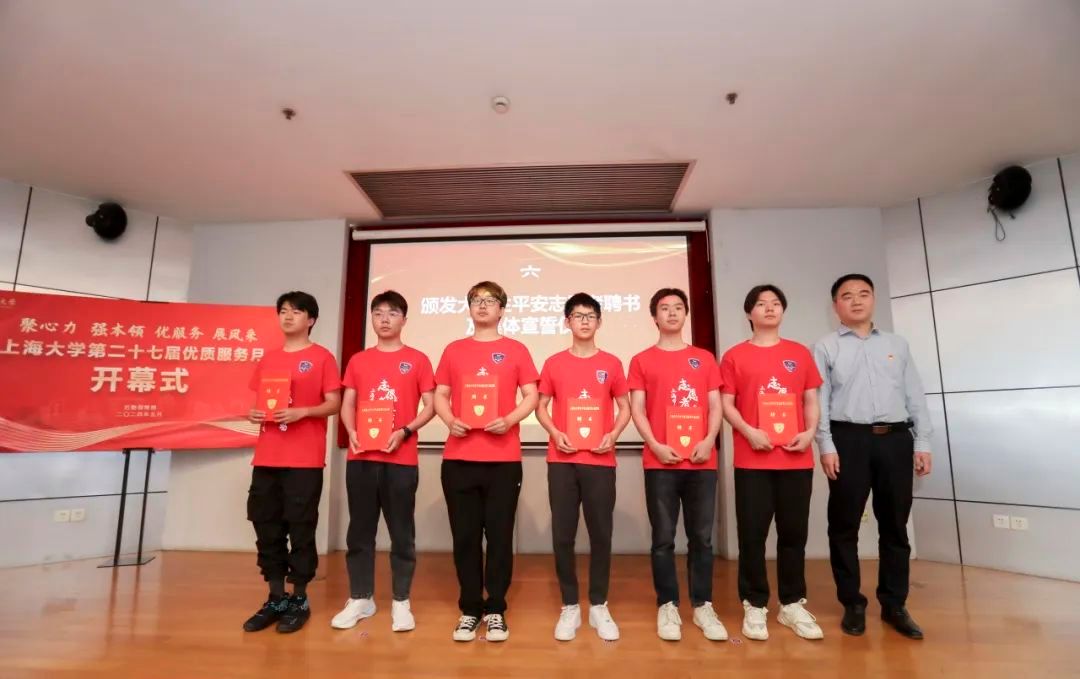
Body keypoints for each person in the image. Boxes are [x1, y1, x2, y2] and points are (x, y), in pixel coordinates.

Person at [813, 273, 933, 640]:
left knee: (895, 526)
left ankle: (894, 604)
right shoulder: (826, 346)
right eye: (847, 295)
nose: (856, 300)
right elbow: (820, 400)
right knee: (844, 525)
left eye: (863, 294)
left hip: (895, 440)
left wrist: (923, 441)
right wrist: (826, 445)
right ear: (836, 305)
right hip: (848, 439)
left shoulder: (897, 344)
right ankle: (852, 602)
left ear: (873, 299)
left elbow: (914, 394)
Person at [434, 281, 539, 642]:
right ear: (469, 308)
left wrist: (510, 420)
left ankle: (495, 608)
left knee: (499, 536)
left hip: (503, 459)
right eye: (476, 300)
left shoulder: (516, 349)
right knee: (464, 537)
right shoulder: (454, 350)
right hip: (459, 458)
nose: (482, 306)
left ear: (502, 310)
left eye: (490, 300)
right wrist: (450, 420)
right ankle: (469, 609)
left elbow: (531, 395)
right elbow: (441, 394)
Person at [719, 285, 824, 642]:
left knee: (794, 534)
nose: (769, 308)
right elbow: (727, 403)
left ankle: (791, 603)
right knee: (752, 535)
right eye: (761, 304)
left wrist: (810, 433)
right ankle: (754, 603)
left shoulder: (799, 353)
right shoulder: (735, 356)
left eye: (776, 303)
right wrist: (748, 431)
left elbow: (810, 399)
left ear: (783, 311)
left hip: (796, 458)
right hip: (753, 459)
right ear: (749, 313)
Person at [332, 290, 436, 633]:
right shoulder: (359, 360)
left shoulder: (417, 360)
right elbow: (348, 403)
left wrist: (405, 431)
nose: (385, 319)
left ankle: (401, 601)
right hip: (362, 456)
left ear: (404, 319)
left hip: (400, 459)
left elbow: (431, 405)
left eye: (392, 313)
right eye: (378, 313)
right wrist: (351, 431)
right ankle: (360, 598)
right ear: (372, 319)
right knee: (360, 531)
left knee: (401, 533)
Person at [628, 287, 727, 642]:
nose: (671, 313)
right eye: (664, 308)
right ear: (654, 317)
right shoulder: (642, 360)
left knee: (702, 538)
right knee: (663, 539)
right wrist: (655, 444)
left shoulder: (704, 358)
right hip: (660, 462)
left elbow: (715, 406)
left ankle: (702, 605)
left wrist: (708, 440)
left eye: (678, 307)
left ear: (686, 314)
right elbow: (638, 409)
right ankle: (667, 604)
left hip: (701, 461)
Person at [243, 291, 342, 634]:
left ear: (310, 320)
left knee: (301, 527)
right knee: (265, 523)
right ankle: (275, 597)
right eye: (283, 311)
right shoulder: (269, 358)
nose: (287, 316)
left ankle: (299, 598)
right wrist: (254, 414)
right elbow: (260, 403)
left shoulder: (322, 357)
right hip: (267, 456)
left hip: (304, 459)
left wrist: (304, 412)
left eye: (296, 312)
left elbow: (334, 403)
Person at [535, 293, 630, 642]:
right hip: (562, 460)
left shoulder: (612, 363)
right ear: (567, 322)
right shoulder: (554, 363)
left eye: (590, 315)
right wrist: (554, 432)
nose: (585, 321)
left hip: (600, 460)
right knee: (563, 535)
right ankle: (570, 605)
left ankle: (599, 604)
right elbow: (541, 406)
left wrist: (613, 434)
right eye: (578, 315)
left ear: (599, 322)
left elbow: (625, 406)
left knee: (601, 534)